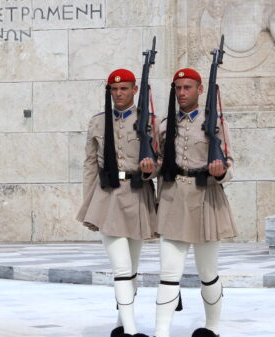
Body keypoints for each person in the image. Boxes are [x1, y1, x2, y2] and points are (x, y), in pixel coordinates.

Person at [141, 68, 238, 337]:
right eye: (178, 88)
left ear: (200, 90)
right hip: (173, 199)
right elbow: (160, 163)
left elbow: (230, 165)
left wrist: (220, 172)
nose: (182, 93)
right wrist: (150, 169)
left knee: (208, 272)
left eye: (188, 87)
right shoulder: (164, 124)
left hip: (206, 198)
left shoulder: (214, 124)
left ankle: (212, 328)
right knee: (169, 272)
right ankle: (162, 332)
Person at [76, 68, 157, 337]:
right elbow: (90, 164)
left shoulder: (148, 121)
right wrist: (90, 201)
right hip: (108, 196)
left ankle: (122, 325)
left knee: (132, 268)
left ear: (135, 90)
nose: (119, 93)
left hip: (138, 194)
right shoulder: (98, 121)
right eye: (114, 89)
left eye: (124, 89)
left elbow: (160, 163)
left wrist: (150, 169)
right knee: (121, 267)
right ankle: (132, 331)